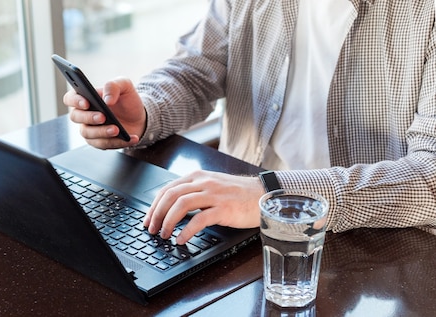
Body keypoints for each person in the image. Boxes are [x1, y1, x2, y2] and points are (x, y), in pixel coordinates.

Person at [63, 0, 436, 245]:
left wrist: (275, 195)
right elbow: (195, 71)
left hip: (367, 239)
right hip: (235, 215)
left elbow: (431, 175)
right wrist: (145, 112)